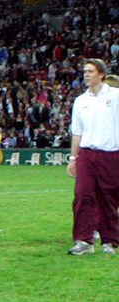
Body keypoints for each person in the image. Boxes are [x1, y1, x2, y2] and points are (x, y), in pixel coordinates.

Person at [67, 58, 118, 255]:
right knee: (82, 194)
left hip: (111, 154)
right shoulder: (80, 101)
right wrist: (73, 159)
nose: (86, 75)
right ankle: (84, 241)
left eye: (90, 71)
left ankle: (110, 241)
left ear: (101, 74)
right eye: (85, 71)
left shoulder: (115, 96)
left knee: (108, 198)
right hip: (87, 154)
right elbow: (77, 133)